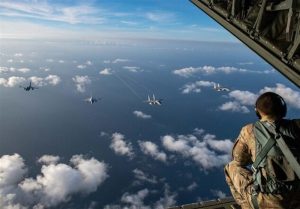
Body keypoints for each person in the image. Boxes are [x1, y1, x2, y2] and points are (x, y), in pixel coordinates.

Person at [224, 92, 300, 209]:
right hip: (297, 195)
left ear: (257, 112)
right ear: (283, 109)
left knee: (231, 167)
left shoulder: (249, 131)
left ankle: (247, 206)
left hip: (269, 200)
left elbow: (239, 160)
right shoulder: (297, 126)